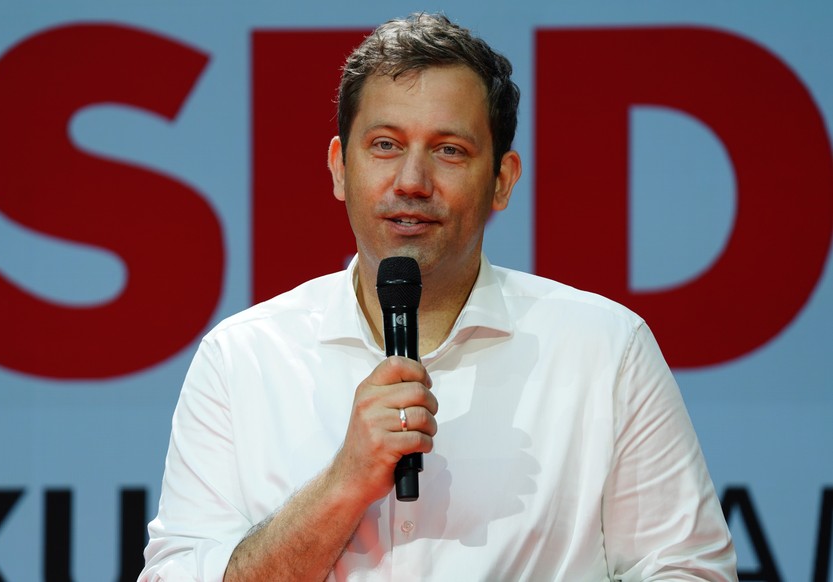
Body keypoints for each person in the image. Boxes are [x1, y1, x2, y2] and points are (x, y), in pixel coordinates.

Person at [140, 12, 736, 581]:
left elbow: (690, 571)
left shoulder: (604, 349)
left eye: (449, 150)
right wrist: (344, 483)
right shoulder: (242, 358)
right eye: (384, 145)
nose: (411, 182)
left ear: (501, 180)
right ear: (338, 168)